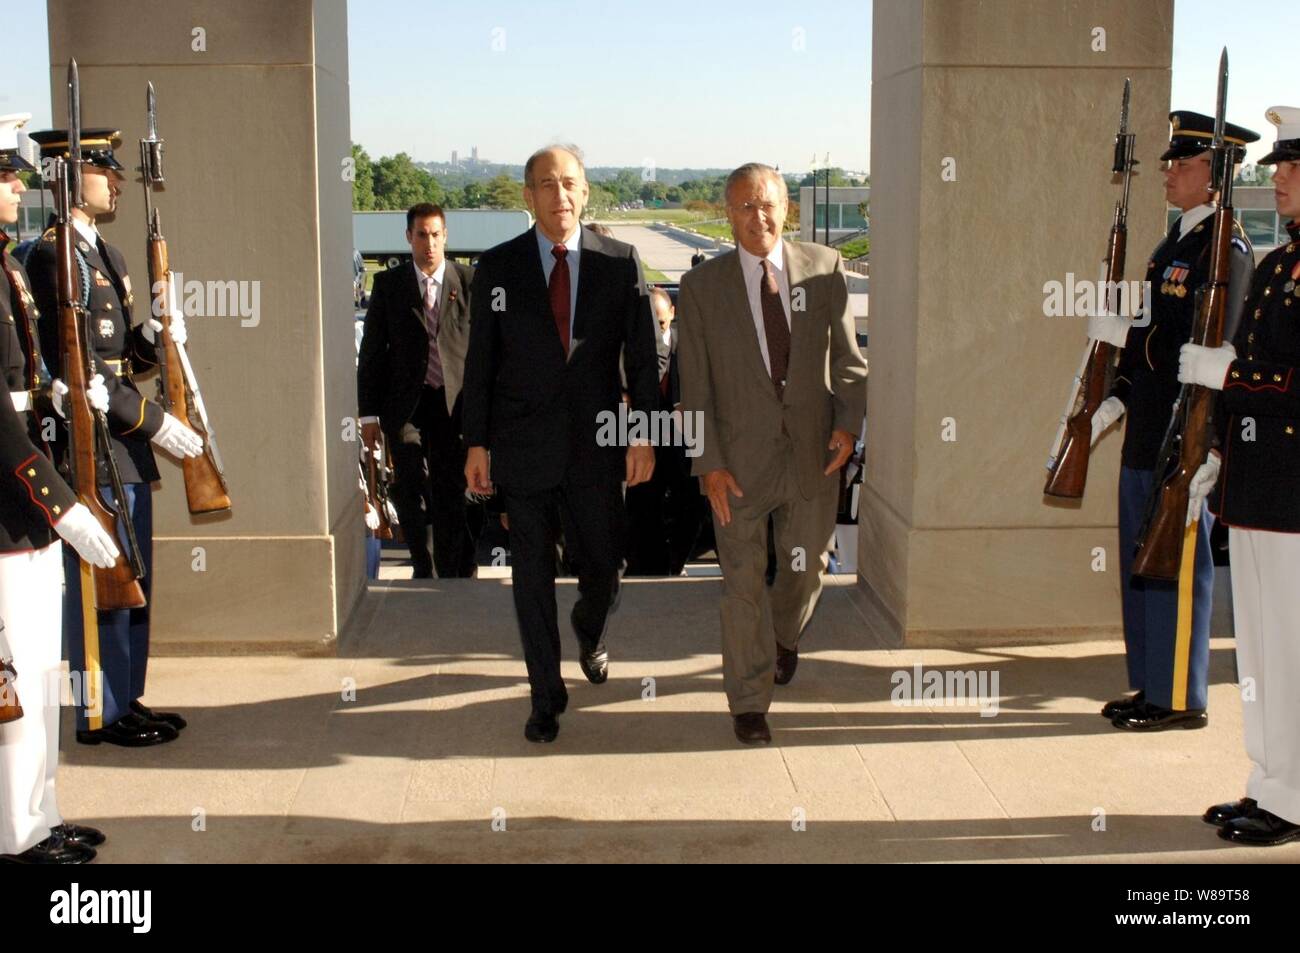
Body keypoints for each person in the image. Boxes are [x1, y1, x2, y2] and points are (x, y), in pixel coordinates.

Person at [462, 145, 658, 743]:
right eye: (546, 184)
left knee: (603, 566)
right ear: (529, 197)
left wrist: (644, 431)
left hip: (598, 446)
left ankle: (590, 629)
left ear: (586, 191)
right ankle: (544, 696)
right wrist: (476, 444)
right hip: (522, 449)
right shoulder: (497, 268)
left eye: (569, 182)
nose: (559, 194)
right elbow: (481, 364)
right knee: (530, 577)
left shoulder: (620, 264)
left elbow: (643, 360)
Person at [677, 162, 867, 745]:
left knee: (805, 570)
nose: (757, 217)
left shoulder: (826, 268)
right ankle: (748, 700)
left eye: (767, 205)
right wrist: (706, 462)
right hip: (734, 465)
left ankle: (784, 637)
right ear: (727, 215)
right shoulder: (702, 288)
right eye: (743, 207)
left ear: (786, 208)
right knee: (740, 585)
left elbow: (849, 361)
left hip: (813, 456)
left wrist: (847, 426)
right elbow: (693, 387)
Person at [26, 127, 202, 747]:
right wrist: (156, 423)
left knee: (134, 575)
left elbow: (125, 360)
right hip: (92, 444)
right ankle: (98, 710)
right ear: (73, 179)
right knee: (100, 585)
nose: (119, 180)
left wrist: (156, 335)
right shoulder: (52, 256)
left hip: (123, 443)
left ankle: (127, 697)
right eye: (105, 170)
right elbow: (76, 367)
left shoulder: (109, 255)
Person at [1088, 111, 1257, 732]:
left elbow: (1220, 352)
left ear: (1216, 177)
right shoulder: (1175, 243)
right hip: (1149, 428)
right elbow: (1156, 334)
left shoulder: (1226, 252)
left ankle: (1182, 696)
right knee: (1145, 560)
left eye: (1182, 164)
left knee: (1180, 567)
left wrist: (1210, 449)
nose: (1168, 172)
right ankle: (1154, 684)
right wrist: (1120, 388)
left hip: (1184, 432)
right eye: (1168, 162)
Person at [0, 113, 120, 862]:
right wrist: (61, 502)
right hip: (10, 510)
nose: (15, 184)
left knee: (45, 669)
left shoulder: (8, 264)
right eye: (4, 176)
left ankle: (41, 814)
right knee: (12, 681)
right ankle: (14, 832)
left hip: (29, 507)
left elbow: (28, 380)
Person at [1185, 106, 1300, 846]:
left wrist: (1236, 373)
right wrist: (1222, 448)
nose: (1279, 178)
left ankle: (1295, 796)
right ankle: (1270, 779)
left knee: (1290, 646)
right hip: (1259, 487)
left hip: (1295, 492)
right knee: (1259, 646)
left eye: (1293, 169)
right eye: (1281, 166)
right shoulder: (1285, 263)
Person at [357, 203, 477, 578]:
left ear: (446, 236)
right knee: (410, 487)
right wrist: (368, 415)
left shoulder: (469, 282)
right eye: (421, 235)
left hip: (453, 405)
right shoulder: (390, 286)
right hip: (406, 406)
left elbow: (485, 350)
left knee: (450, 490)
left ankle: (452, 570)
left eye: (436, 235)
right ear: (408, 237)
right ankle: (423, 566)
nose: (429, 243)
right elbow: (373, 351)